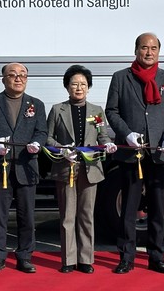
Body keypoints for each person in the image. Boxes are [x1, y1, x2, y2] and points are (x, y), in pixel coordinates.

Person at [104, 32, 164, 274]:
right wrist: (126, 134)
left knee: (158, 206)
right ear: (136, 50)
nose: (149, 52)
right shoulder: (121, 78)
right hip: (131, 153)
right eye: (144, 48)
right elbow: (112, 111)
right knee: (129, 206)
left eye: (153, 48)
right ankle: (126, 256)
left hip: (159, 153)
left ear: (159, 51)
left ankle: (156, 256)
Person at [0, 62, 47, 274]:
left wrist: (37, 143)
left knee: (27, 216)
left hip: (26, 167)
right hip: (0, 167)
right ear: (3, 79)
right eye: (13, 75)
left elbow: (42, 132)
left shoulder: (36, 104)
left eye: (23, 75)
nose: (18, 79)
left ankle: (25, 256)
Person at [46, 65, 116, 274]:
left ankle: (86, 259)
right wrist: (62, 149)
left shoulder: (96, 110)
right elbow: (48, 138)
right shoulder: (57, 109)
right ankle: (68, 259)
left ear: (89, 87)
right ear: (67, 86)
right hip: (65, 167)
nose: (79, 88)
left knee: (86, 215)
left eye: (83, 84)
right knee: (67, 216)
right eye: (74, 84)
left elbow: (103, 136)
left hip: (90, 168)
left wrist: (108, 144)